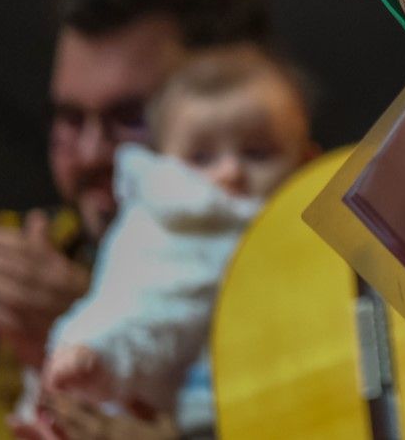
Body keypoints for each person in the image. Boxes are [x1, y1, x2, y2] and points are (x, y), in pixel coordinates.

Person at [0, 0, 270, 439]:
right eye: (70, 119)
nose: (92, 153)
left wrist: (90, 336)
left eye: (132, 117)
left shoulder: (317, 271)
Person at [36, 47, 317, 437]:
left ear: (304, 157)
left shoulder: (313, 229)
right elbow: (142, 307)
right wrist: (94, 352)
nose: (231, 171)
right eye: (201, 157)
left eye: (257, 153)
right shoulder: (171, 225)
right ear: (164, 160)